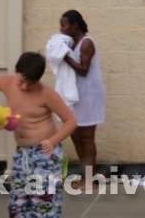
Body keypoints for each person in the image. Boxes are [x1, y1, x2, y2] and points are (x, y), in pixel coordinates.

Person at [0, 53, 77, 218]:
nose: (25, 87)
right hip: (22, 154)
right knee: (18, 203)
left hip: (46, 154)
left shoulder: (46, 93)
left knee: (44, 202)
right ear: (16, 70)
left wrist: (52, 141)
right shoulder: (6, 82)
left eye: (31, 83)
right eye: (22, 81)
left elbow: (70, 121)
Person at [58, 10, 106, 183]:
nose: (61, 29)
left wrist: (65, 58)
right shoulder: (71, 43)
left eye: (64, 25)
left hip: (89, 95)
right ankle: (86, 177)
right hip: (75, 95)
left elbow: (84, 70)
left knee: (87, 136)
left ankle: (89, 179)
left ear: (74, 25)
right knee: (76, 135)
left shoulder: (86, 43)